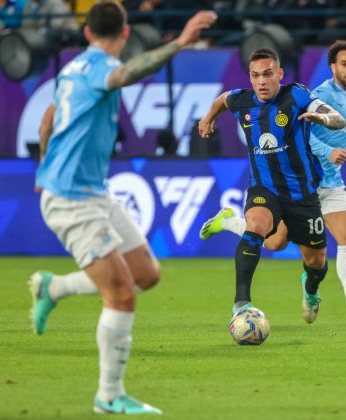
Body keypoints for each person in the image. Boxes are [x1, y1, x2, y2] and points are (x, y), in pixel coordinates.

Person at [30, 1, 216, 414]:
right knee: (120, 295)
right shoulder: (98, 69)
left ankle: (54, 287)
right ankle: (109, 395)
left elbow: (47, 121)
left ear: (86, 32)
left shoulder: (70, 70)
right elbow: (126, 73)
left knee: (145, 275)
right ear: (126, 32)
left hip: (93, 192)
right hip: (72, 200)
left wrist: (44, 167)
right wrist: (181, 42)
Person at [199, 41, 346, 326]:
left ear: (279, 74)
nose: (262, 81)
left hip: (306, 190)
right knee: (260, 229)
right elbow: (224, 99)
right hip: (267, 188)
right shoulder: (254, 100)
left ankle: (310, 289)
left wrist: (342, 144)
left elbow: (335, 127)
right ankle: (241, 304)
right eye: (256, 75)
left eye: (268, 74)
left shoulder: (313, 96)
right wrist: (208, 118)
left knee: (312, 261)